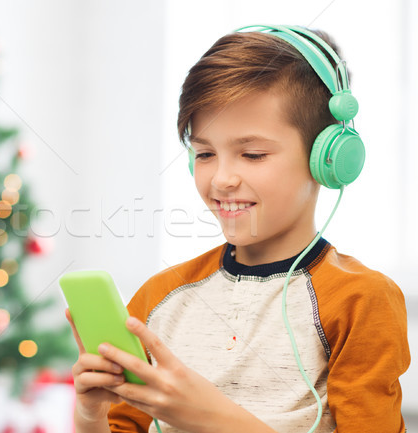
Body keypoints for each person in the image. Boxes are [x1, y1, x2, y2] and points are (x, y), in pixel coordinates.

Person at [66, 25, 411, 433]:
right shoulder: (158, 299)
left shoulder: (360, 300)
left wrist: (211, 419)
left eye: (252, 154)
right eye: (205, 153)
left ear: (329, 158)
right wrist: (90, 415)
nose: (222, 179)